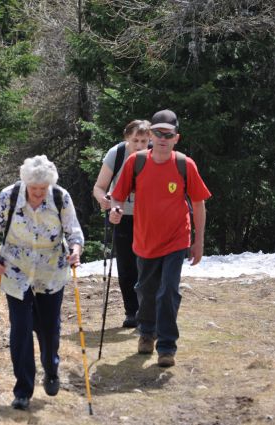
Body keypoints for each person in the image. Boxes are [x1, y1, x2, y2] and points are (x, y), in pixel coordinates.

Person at [109, 109, 211, 368]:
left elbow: (198, 205)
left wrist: (198, 242)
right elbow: (118, 195)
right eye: (158, 133)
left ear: (176, 137)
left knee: (167, 292)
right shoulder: (137, 162)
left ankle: (166, 346)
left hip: (176, 240)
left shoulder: (184, 164)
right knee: (146, 290)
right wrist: (115, 209)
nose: (163, 138)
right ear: (152, 135)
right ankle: (146, 332)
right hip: (144, 240)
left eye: (168, 134)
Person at [0, 155, 84, 410]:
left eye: (43, 189)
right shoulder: (9, 196)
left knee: (49, 329)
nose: (38, 194)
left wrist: (75, 250)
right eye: (34, 189)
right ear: (25, 182)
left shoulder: (61, 197)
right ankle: (23, 390)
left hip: (51, 270)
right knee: (21, 329)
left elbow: (75, 232)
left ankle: (51, 369)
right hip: (16, 269)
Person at [92, 120, 151, 328]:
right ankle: (131, 312)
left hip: (149, 217)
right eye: (135, 140)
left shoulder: (155, 155)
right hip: (121, 215)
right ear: (127, 138)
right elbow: (99, 187)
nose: (139, 145)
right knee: (126, 266)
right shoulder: (116, 154)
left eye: (144, 140)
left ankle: (147, 310)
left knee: (147, 265)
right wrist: (104, 200)